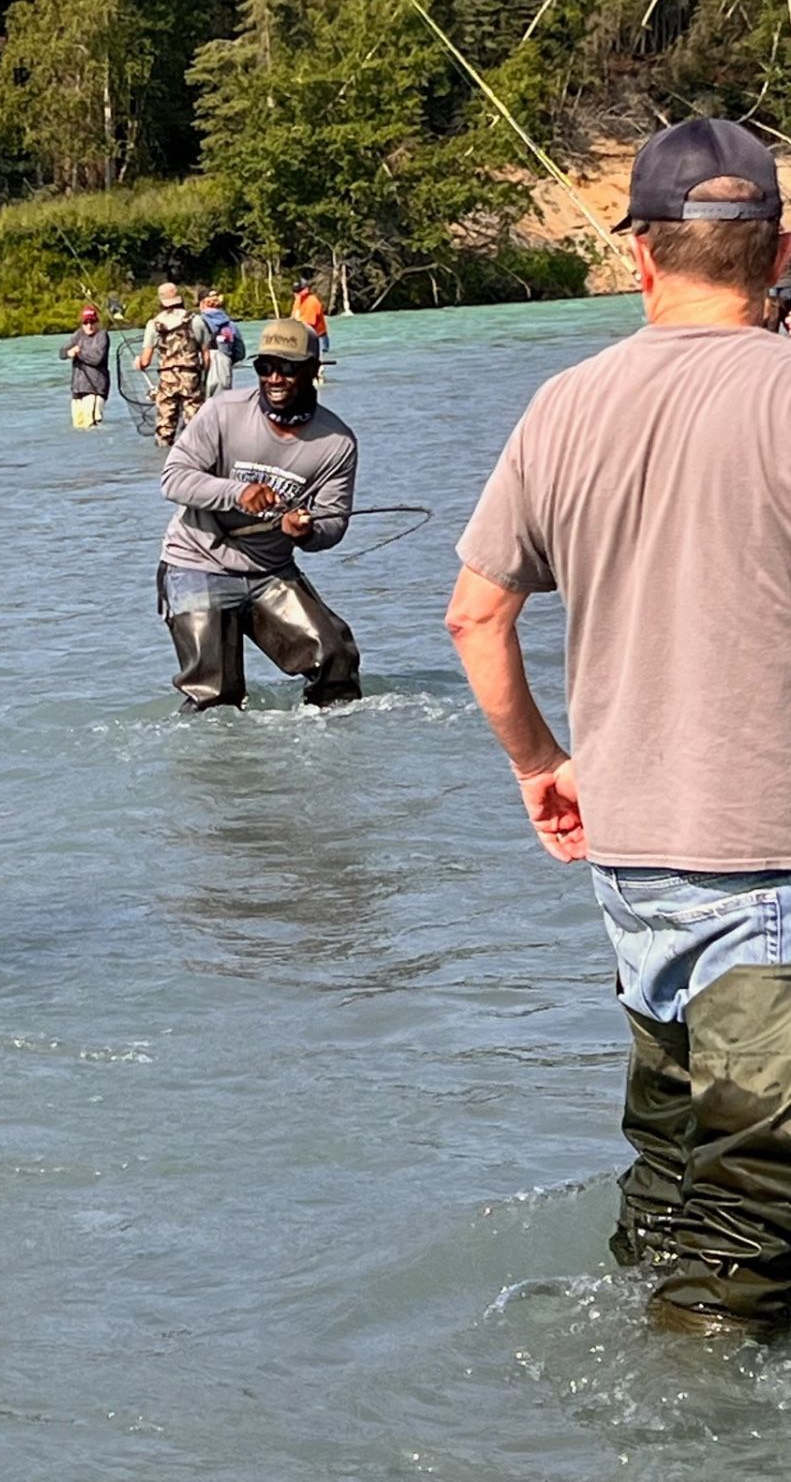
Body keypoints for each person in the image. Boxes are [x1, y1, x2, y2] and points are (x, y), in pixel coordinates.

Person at [446, 116, 791, 1338]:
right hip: (767, 866)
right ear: (777, 249)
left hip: (633, 857)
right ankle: (692, 1414)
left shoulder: (561, 405)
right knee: (757, 1223)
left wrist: (543, 766)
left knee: (670, 1178)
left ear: (638, 258)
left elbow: (474, 617)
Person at [158, 318, 362, 712]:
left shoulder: (338, 443)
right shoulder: (223, 411)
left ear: (314, 369)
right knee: (216, 696)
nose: (275, 378)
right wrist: (238, 493)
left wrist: (304, 533)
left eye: (287, 367)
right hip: (195, 562)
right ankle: (216, 767)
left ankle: (333, 762)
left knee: (335, 660)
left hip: (270, 569)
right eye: (264, 366)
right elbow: (173, 479)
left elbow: (333, 521)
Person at [136, 282, 208, 447]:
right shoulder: (195, 320)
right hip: (191, 380)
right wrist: (203, 378)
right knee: (196, 427)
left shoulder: (153, 324)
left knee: (165, 428)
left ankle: (165, 463)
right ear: (179, 299)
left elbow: (145, 361)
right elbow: (206, 356)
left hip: (167, 382)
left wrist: (138, 363)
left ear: (161, 302)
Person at [58, 304, 111, 427]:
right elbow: (61, 352)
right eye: (86, 322)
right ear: (82, 323)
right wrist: (68, 353)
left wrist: (79, 352)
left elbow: (96, 358)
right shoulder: (78, 335)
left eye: (92, 322)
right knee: (78, 428)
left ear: (97, 322)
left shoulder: (102, 336)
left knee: (91, 426)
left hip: (95, 389)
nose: (89, 325)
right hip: (77, 389)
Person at [197, 287, 245, 397]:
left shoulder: (196, 323)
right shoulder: (231, 325)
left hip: (203, 367)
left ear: (202, 304)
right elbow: (240, 353)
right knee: (223, 407)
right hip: (224, 366)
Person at [291, 275, 331, 351]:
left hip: (318, 339)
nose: (296, 294)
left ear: (305, 290)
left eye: (298, 291)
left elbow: (308, 325)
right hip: (303, 336)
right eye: (295, 291)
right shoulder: (298, 301)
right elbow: (293, 318)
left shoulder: (312, 302)